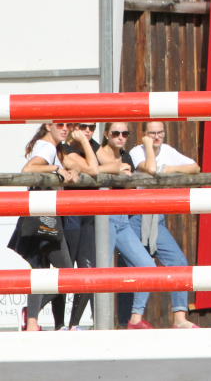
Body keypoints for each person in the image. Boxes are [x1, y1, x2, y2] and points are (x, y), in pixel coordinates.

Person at [128, 121, 200, 329]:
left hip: (156, 217)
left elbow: (195, 167)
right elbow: (150, 169)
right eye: (151, 133)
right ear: (143, 135)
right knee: (141, 267)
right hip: (136, 216)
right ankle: (134, 319)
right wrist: (148, 147)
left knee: (178, 261)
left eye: (160, 132)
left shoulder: (167, 151)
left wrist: (170, 168)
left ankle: (180, 318)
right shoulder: (136, 151)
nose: (156, 136)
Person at [16, 123, 87, 331]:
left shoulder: (48, 146)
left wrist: (71, 170)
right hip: (45, 218)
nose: (65, 129)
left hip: (36, 215)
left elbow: (82, 166)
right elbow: (28, 169)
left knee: (40, 270)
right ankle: (31, 315)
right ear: (48, 125)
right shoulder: (47, 148)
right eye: (60, 124)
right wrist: (57, 168)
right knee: (66, 272)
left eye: (68, 125)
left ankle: (31, 323)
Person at [60, 122, 129, 330]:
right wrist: (90, 161)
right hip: (71, 214)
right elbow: (93, 168)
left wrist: (89, 154)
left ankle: (73, 324)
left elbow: (117, 165)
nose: (88, 131)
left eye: (92, 126)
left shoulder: (93, 145)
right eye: (83, 126)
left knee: (88, 271)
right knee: (65, 271)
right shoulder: (65, 148)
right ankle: (50, 319)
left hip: (89, 214)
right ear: (73, 127)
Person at [96, 122, 159, 330]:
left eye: (125, 133)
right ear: (106, 134)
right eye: (115, 133)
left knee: (148, 267)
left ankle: (135, 319)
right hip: (104, 218)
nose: (121, 136)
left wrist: (148, 145)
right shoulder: (97, 153)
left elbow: (151, 169)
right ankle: (98, 324)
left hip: (123, 219)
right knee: (101, 272)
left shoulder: (126, 156)